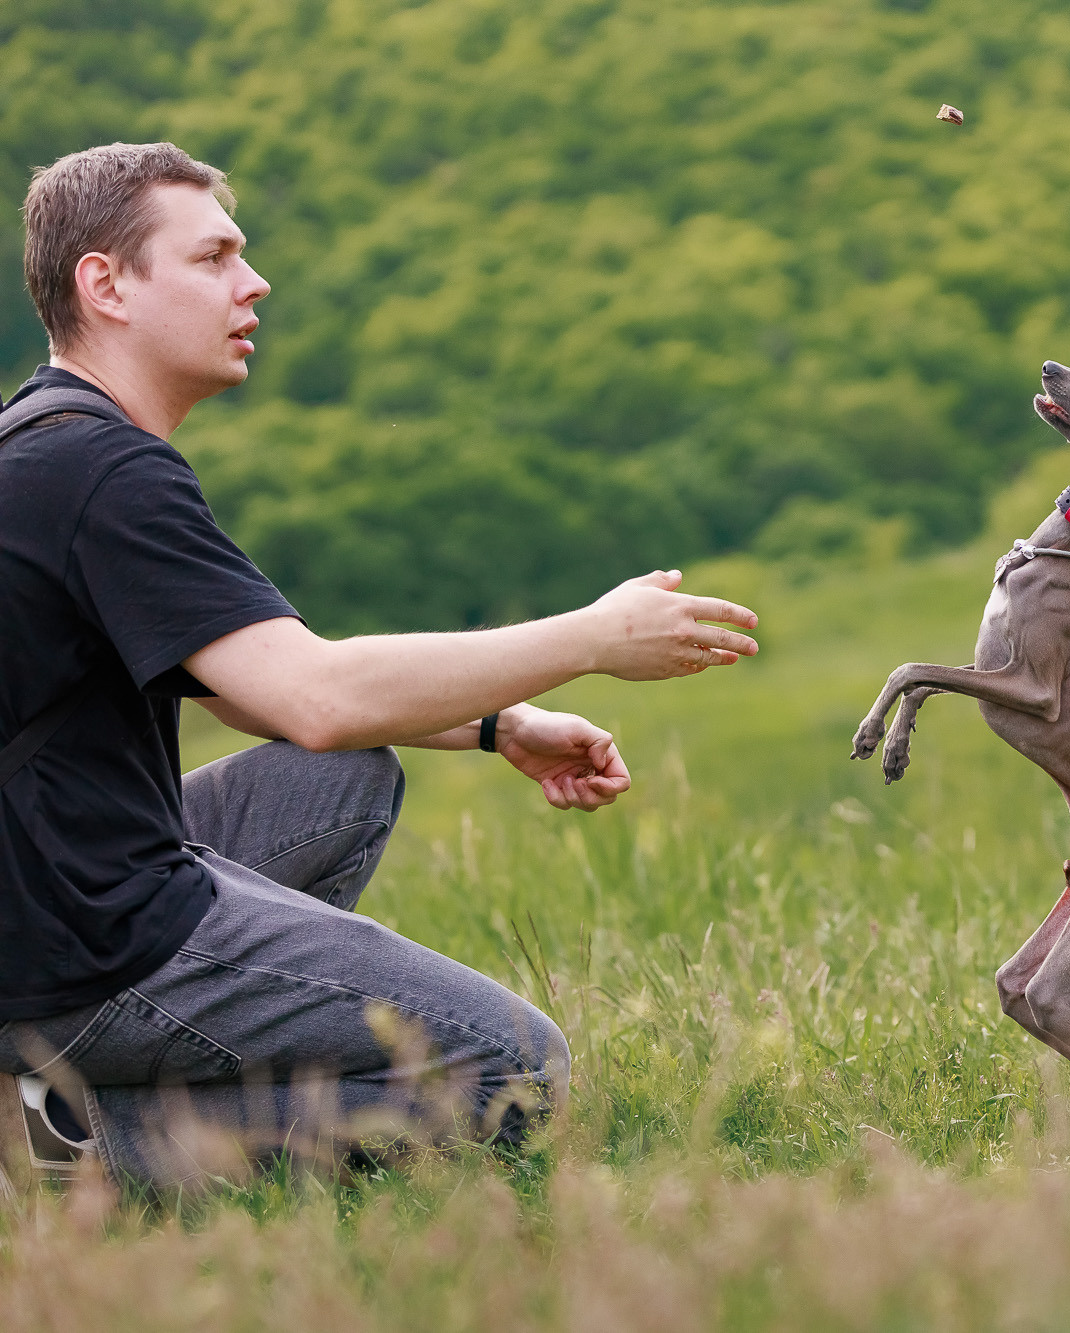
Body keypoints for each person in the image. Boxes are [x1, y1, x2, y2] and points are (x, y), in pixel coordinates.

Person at [0, 142, 760, 1191]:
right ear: (105, 283)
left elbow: (259, 695)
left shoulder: (42, 443)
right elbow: (315, 695)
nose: (252, 281)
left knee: (344, 778)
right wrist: (593, 636)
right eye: (215, 256)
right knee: (512, 1069)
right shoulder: (102, 473)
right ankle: (59, 1149)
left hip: (43, 891)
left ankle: (93, 1090)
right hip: (75, 942)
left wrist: (501, 724)